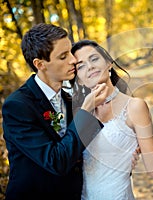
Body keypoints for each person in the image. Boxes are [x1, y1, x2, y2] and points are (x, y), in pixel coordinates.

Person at [1, 23, 139, 200]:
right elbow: (56, 161)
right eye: (63, 56)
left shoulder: (69, 100)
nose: (73, 60)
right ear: (40, 64)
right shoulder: (18, 106)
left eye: (70, 53)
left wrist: (122, 157)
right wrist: (86, 111)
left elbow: (80, 149)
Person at [71, 40, 153, 200]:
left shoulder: (134, 107)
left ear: (109, 63)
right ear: (79, 78)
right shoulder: (79, 112)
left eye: (94, 59)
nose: (89, 66)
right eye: (81, 65)